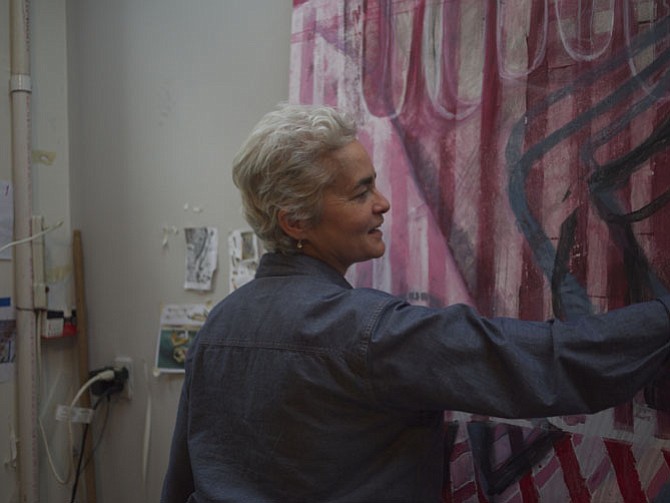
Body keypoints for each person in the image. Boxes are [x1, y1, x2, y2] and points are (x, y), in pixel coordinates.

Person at [161, 103, 670, 503]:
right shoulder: (365, 333)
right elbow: (542, 361)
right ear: (295, 221)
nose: (382, 202)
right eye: (360, 193)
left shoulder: (218, 326)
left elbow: (182, 476)